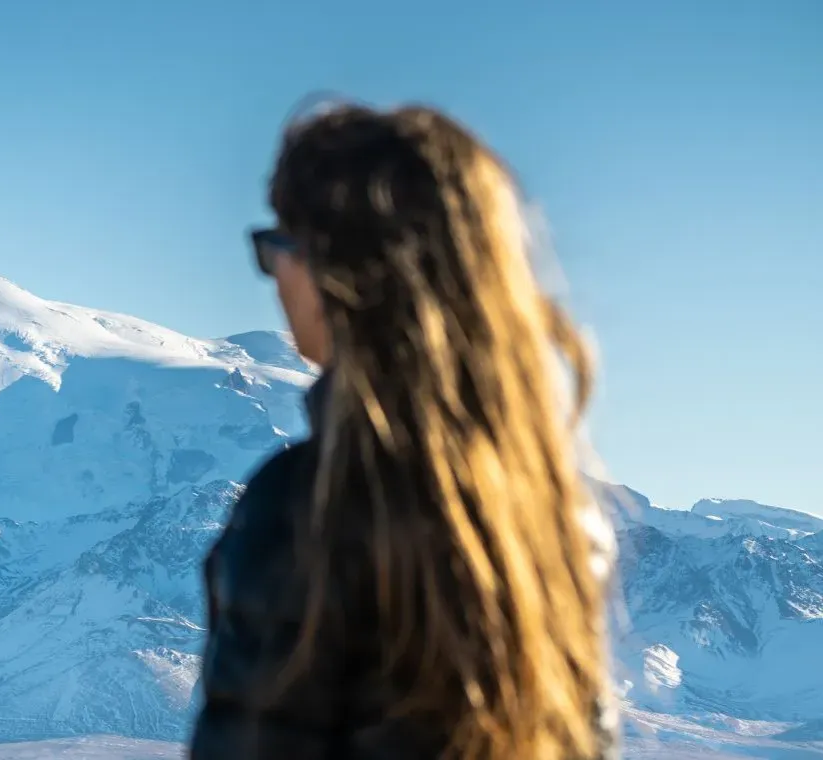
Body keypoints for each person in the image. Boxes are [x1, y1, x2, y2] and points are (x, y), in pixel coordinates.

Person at [189, 102, 619, 760]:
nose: (273, 278)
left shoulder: (309, 506)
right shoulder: (559, 517)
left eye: (277, 247)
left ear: (341, 273)